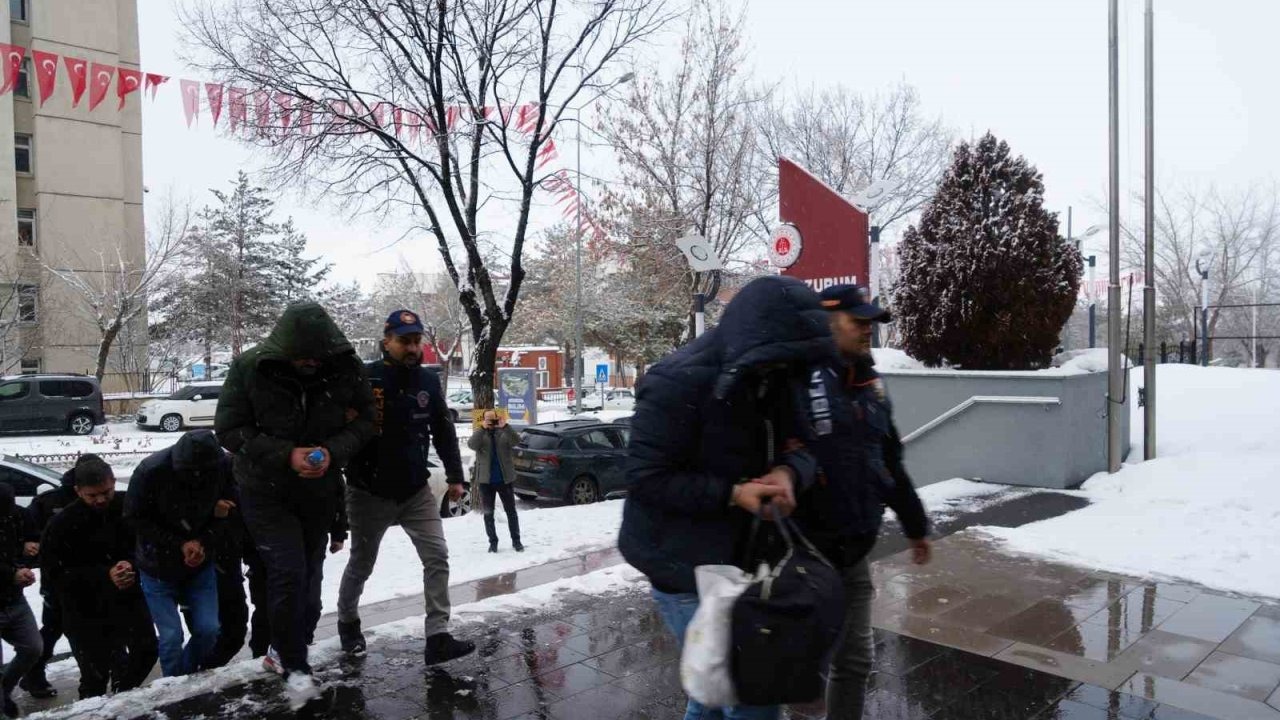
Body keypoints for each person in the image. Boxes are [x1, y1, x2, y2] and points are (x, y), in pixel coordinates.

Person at [619, 275, 834, 720]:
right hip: (684, 566)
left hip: (750, 560)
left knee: (714, 687)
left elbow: (808, 443)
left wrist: (788, 472)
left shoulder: (781, 371)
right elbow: (646, 478)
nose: (789, 373)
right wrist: (735, 494)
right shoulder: (677, 382)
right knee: (748, 693)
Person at [215, 302, 375, 706]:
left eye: (317, 356)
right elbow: (229, 429)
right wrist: (287, 455)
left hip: (318, 493)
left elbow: (367, 420)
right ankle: (296, 669)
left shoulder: (345, 367)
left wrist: (332, 451)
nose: (310, 363)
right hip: (264, 490)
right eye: (302, 356)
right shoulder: (251, 367)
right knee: (288, 572)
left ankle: (284, 650)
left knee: (310, 585)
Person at [806, 284, 932, 720]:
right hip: (805, 554)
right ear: (828, 322)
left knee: (855, 661)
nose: (867, 330)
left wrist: (915, 525)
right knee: (798, 669)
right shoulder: (799, 380)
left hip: (854, 549)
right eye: (857, 321)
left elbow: (889, 460)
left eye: (870, 323)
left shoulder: (871, 385)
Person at [337, 309, 473, 665]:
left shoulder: (427, 380)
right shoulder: (364, 378)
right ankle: (348, 622)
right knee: (361, 563)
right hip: (369, 492)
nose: (413, 348)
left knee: (437, 556)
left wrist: (455, 477)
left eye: (417, 341)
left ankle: (438, 636)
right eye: (404, 341)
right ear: (387, 341)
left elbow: (443, 429)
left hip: (415, 490)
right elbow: (340, 429)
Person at [39, 456, 157, 700]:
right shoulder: (62, 523)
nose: (101, 500)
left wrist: (131, 564)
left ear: (113, 482)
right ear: (78, 491)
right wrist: (105, 575)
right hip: (83, 608)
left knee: (146, 651)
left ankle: (121, 696)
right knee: (95, 675)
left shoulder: (127, 507)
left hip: (127, 597)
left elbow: (148, 544)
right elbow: (55, 573)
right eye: (92, 496)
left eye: (106, 492)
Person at [125, 430, 236, 678]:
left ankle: (183, 676)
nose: (198, 478)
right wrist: (179, 544)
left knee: (209, 629)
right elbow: (134, 518)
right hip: (157, 565)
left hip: (200, 563)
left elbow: (228, 511)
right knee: (171, 636)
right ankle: (173, 684)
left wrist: (203, 541)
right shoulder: (151, 471)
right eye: (192, 472)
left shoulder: (221, 467)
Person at [19, 458, 89, 699]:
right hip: (58, 580)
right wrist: (30, 545)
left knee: (71, 630)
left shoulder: (102, 501)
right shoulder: (50, 502)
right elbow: (27, 532)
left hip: (91, 578)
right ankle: (34, 674)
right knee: (58, 629)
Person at [0, 483, 41, 718]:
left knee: (32, 648)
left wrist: (30, 546)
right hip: (8, 587)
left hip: (13, 599)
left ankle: (4, 691)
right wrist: (10, 574)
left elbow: (34, 534)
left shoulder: (16, 516)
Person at [468, 409, 523, 553]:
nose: (491, 422)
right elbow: (472, 445)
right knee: (488, 514)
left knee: (511, 512)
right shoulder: (480, 434)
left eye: (493, 419)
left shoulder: (504, 432)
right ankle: (493, 542)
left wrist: (506, 426)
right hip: (486, 481)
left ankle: (516, 541)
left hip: (504, 479)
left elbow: (516, 441)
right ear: (483, 420)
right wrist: (482, 429)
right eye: (488, 419)